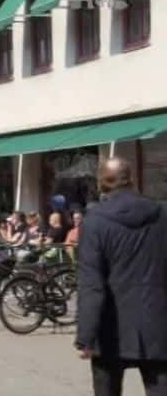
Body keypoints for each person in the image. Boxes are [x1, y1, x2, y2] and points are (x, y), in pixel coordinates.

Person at [76, 158, 167, 396]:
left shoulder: (94, 222)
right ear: (132, 179)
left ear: (101, 184)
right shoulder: (161, 215)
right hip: (157, 320)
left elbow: (91, 284)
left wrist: (86, 335)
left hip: (110, 326)